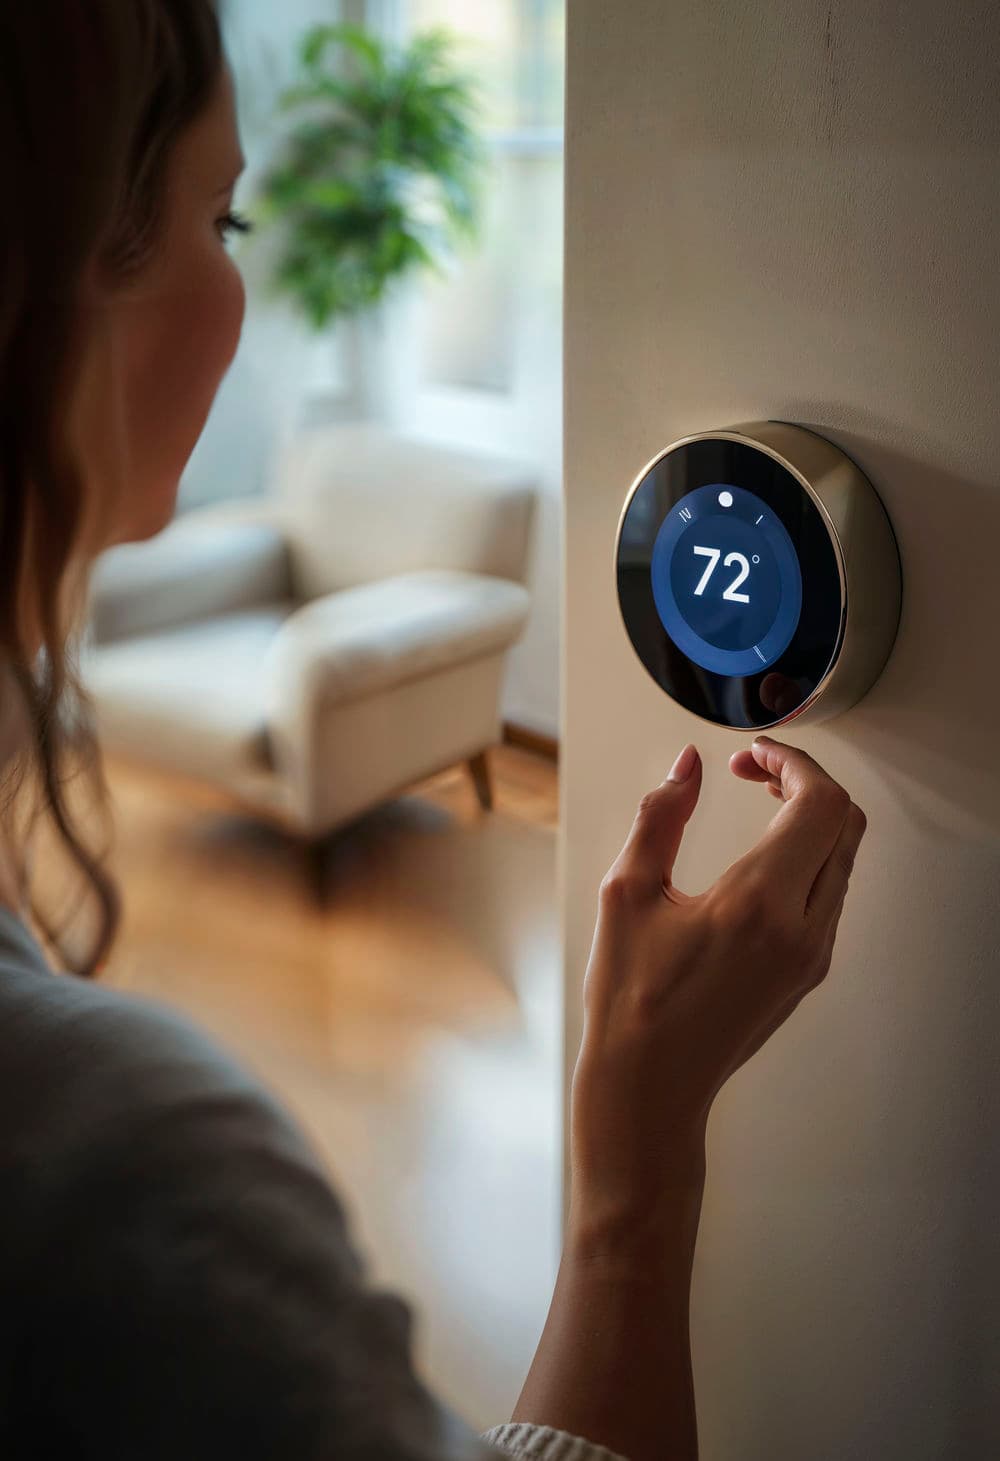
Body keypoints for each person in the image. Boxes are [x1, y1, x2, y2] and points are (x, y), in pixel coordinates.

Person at [0, 4, 868, 1458]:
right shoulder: (115, 1188)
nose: (242, 278)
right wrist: (635, 1179)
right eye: (223, 214)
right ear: (40, 287)